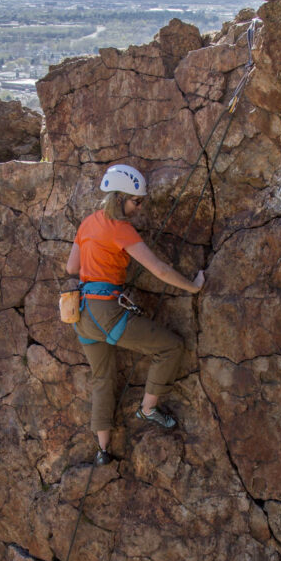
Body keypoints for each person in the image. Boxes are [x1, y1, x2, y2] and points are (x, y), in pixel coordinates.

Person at [65, 164, 204, 465]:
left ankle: (103, 450)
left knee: (102, 378)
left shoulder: (88, 223)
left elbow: (71, 267)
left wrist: (101, 261)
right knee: (171, 347)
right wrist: (192, 287)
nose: (139, 208)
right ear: (119, 198)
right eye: (136, 201)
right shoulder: (121, 228)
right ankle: (148, 409)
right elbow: (159, 269)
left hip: (82, 315)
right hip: (107, 312)